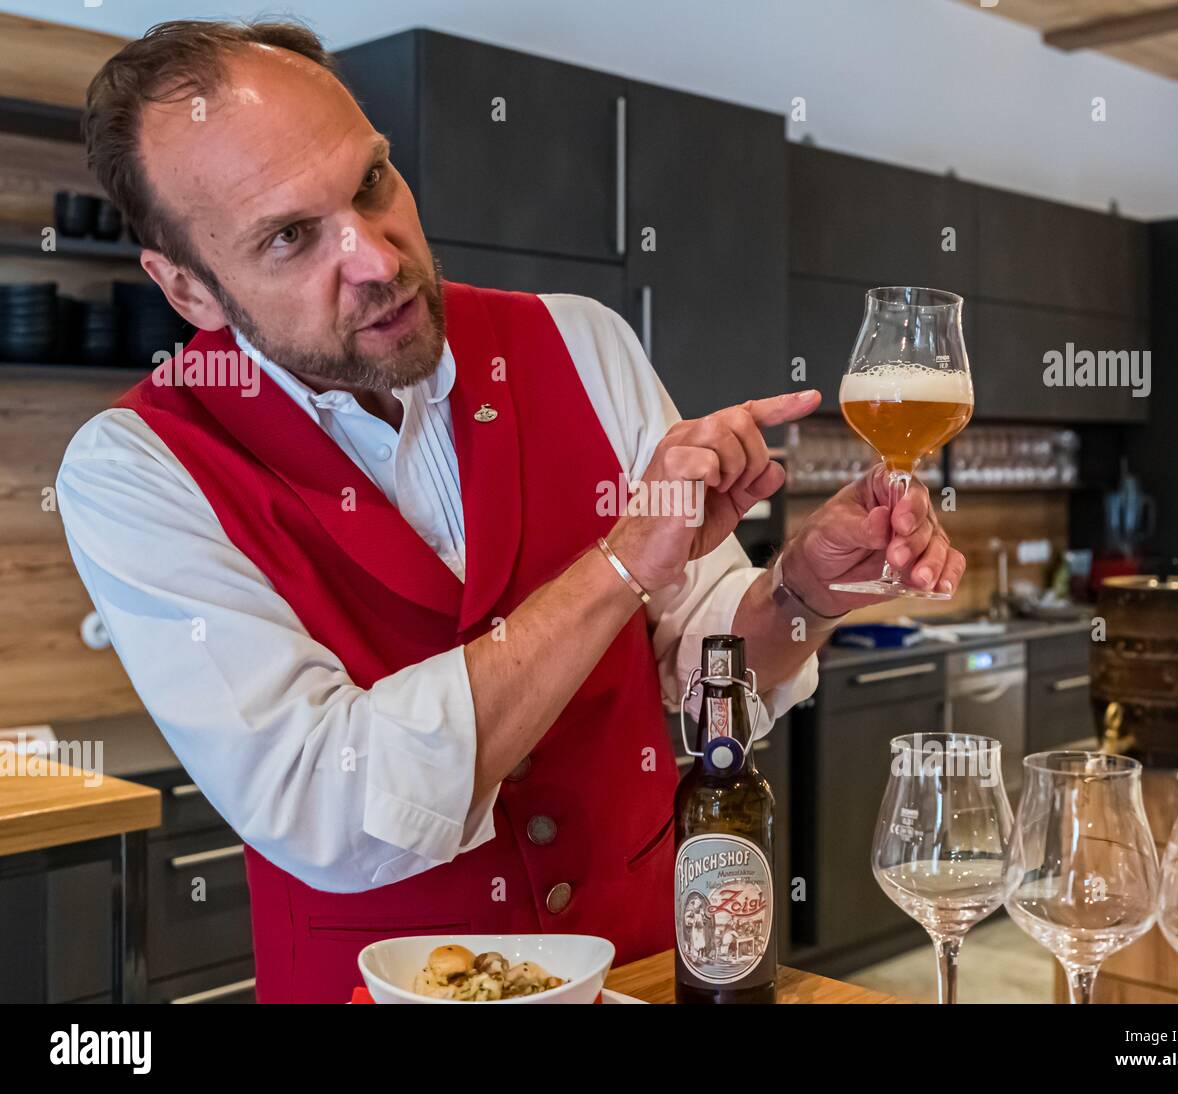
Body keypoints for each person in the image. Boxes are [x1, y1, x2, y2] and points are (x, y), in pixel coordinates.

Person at [59, 19, 967, 1002]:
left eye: (369, 183)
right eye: (290, 236)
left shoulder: (583, 345)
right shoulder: (138, 468)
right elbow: (331, 799)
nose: (375, 257)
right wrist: (619, 564)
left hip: (647, 971)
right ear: (187, 287)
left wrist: (797, 592)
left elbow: (713, 694)